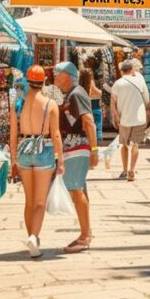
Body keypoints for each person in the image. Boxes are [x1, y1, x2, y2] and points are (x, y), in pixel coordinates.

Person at [9, 65, 64, 259]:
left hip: (24, 149)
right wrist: (61, 159)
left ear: (27, 81)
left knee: (29, 201)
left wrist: (13, 160)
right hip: (44, 150)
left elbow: (13, 135)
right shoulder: (50, 104)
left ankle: (31, 238)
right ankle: (34, 237)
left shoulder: (18, 103)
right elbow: (56, 134)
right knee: (40, 202)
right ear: (44, 82)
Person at [53, 61, 98, 253]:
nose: (54, 74)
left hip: (78, 148)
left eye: (58, 72)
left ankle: (85, 236)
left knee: (76, 191)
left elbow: (88, 121)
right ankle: (86, 231)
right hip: (73, 148)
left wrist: (94, 149)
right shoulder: (70, 94)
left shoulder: (76, 93)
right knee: (79, 191)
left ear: (68, 75)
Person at [111, 59, 150, 181]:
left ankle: (124, 170)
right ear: (132, 70)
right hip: (139, 118)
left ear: (122, 71)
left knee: (124, 145)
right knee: (135, 144)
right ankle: (132, 170)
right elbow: (147, 99)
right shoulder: (140, 80)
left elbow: (113, 103)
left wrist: (116, 117)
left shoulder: (118, 83)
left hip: (124, 119)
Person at [79, 68, 104, 143]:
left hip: (85, 108)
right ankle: (96, 144)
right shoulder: (91, 81)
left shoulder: (79, 84)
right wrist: (102, 93)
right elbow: (95, 91)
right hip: (95, 105)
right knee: (97, 127)